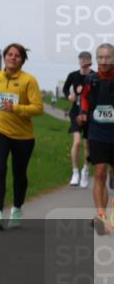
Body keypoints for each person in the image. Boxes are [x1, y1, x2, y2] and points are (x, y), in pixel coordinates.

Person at [0, 43, 44, 230]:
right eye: (9, 54)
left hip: (23, 136)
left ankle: (16, 209)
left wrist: (16, 108)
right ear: (5, 57)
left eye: (17, 56)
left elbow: (38, 108)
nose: (13, 58)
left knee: (19, 174)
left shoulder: (29, 81)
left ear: (22, 60)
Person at [77, 43, 114, 235]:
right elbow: (83, 99)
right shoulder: (91, 79)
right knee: (99, 171)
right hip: (97, 131)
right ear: (96, 59)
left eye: (108, 57)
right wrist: (83, 113)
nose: (104, 61)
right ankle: (100, 217)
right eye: (100, 57)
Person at [63, 51, 95, 188]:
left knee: (87, 144)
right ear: (79, 61)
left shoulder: (95, 76)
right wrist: (69, 95)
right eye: (82, 59)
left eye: (86, 59)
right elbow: (65, 89)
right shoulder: (73, 75)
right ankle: (75, 172)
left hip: (90, 113)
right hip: (76, 111)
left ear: (90, 60)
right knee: (76, 142)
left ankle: (85, 171)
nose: (84, 61)